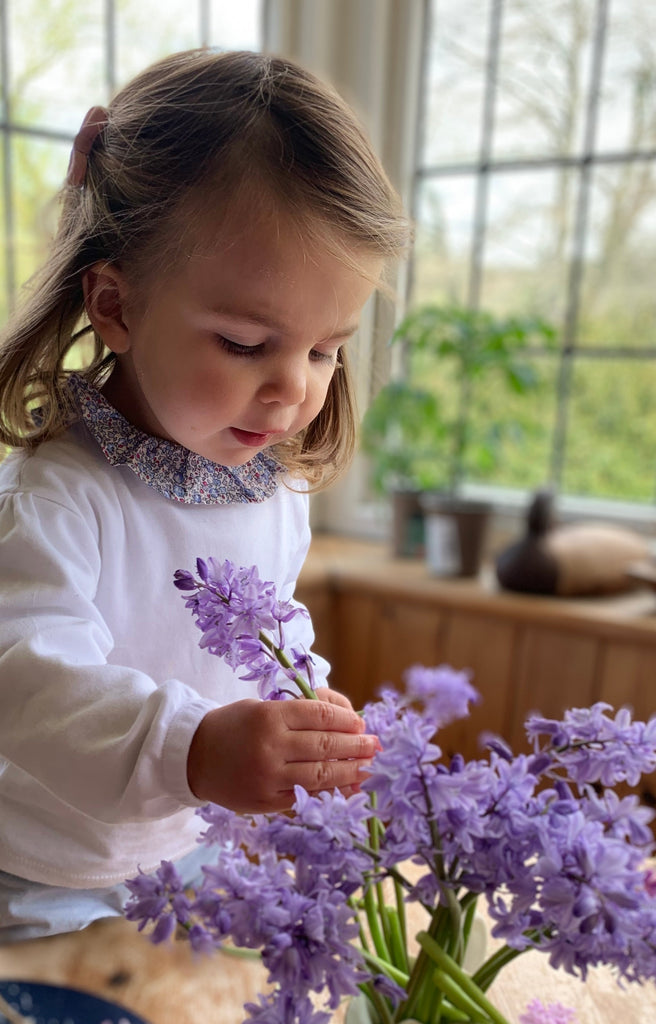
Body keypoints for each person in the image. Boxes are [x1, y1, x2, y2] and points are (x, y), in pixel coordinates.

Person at [0, 48, 409, 941]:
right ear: (115, 306)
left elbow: (273, 627)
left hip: (192, 848)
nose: (294, 389)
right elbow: (27, 683)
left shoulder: (274, 493)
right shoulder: (57, 498)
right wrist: (193, 748)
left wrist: (308, 712)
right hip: (36, 875)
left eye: (324, 348)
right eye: (243, 342)